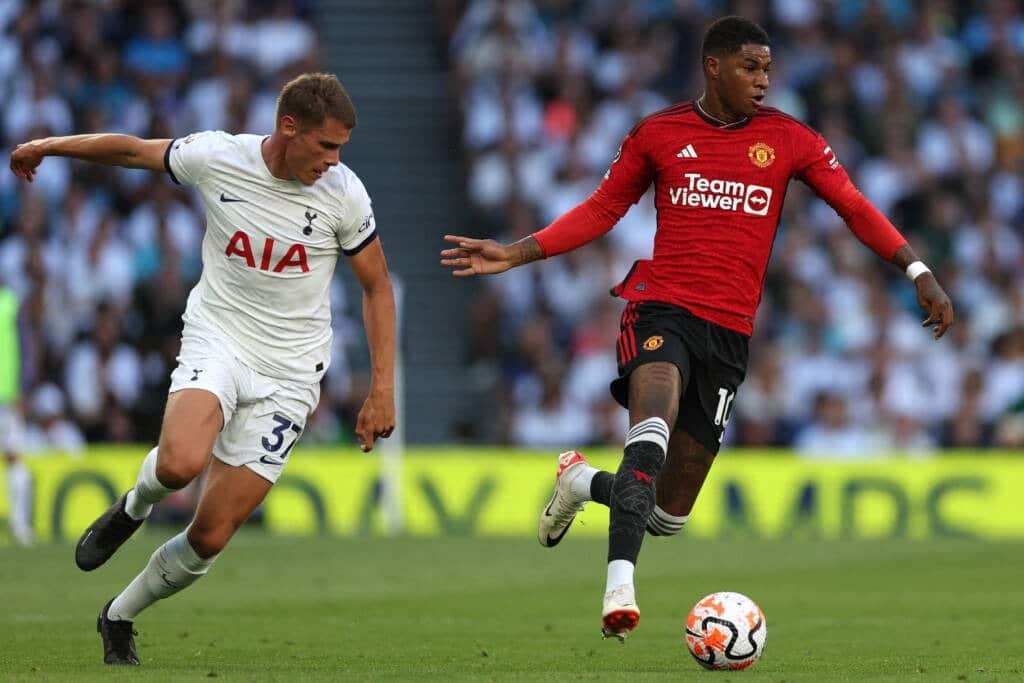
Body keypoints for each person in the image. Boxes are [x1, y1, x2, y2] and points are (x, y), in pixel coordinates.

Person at [440, 16, 953, 640]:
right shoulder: (659, 133)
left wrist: (917, 267)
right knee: (649, 434)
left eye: (768, 68)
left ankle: (578, 480)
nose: (764, 80)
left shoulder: (791, 140)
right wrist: (518, 252)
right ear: (714, 66)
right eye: (750, 67)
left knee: (666, 514)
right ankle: (618, 591)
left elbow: (852, 204)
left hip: (729, 333)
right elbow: (603, 209)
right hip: (661, 309)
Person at [10, 72, 397, 665]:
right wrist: (49, 146)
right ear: (288, 128)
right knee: (179, 464)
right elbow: (133, 151)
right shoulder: (220, 157)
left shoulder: (344, 194)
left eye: (341, 148)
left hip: (291, 374)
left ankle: (118, 615)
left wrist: (381, 388)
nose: (334, 160)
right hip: (219, 338)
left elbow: (376, 288)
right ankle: (134, 507)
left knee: (210, 535)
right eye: (326, 145)